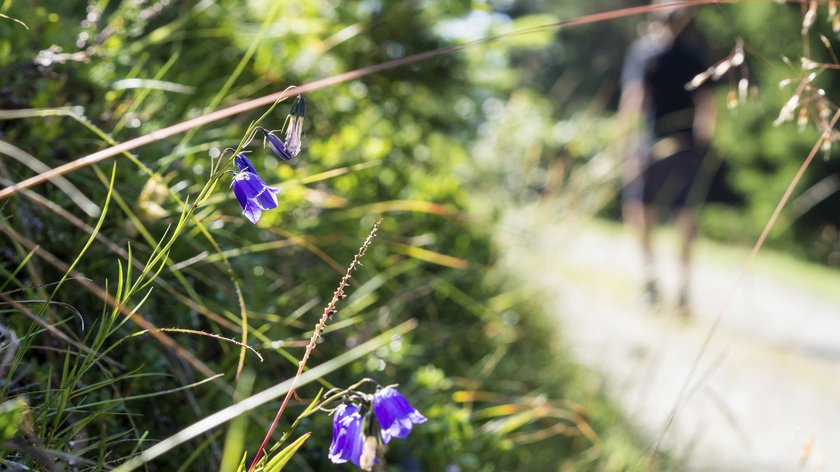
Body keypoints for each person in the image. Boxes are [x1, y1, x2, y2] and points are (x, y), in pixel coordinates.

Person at [618, 2, 715, 311]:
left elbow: (633, 101)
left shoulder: (646, 52)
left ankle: (653, 282)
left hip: (652, 143)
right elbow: (707, 108)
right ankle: (677, 286)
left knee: (642, 210)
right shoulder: (693, 55)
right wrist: (702, 147)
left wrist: (627, 146)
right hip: (684, 145)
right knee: (681, 214)